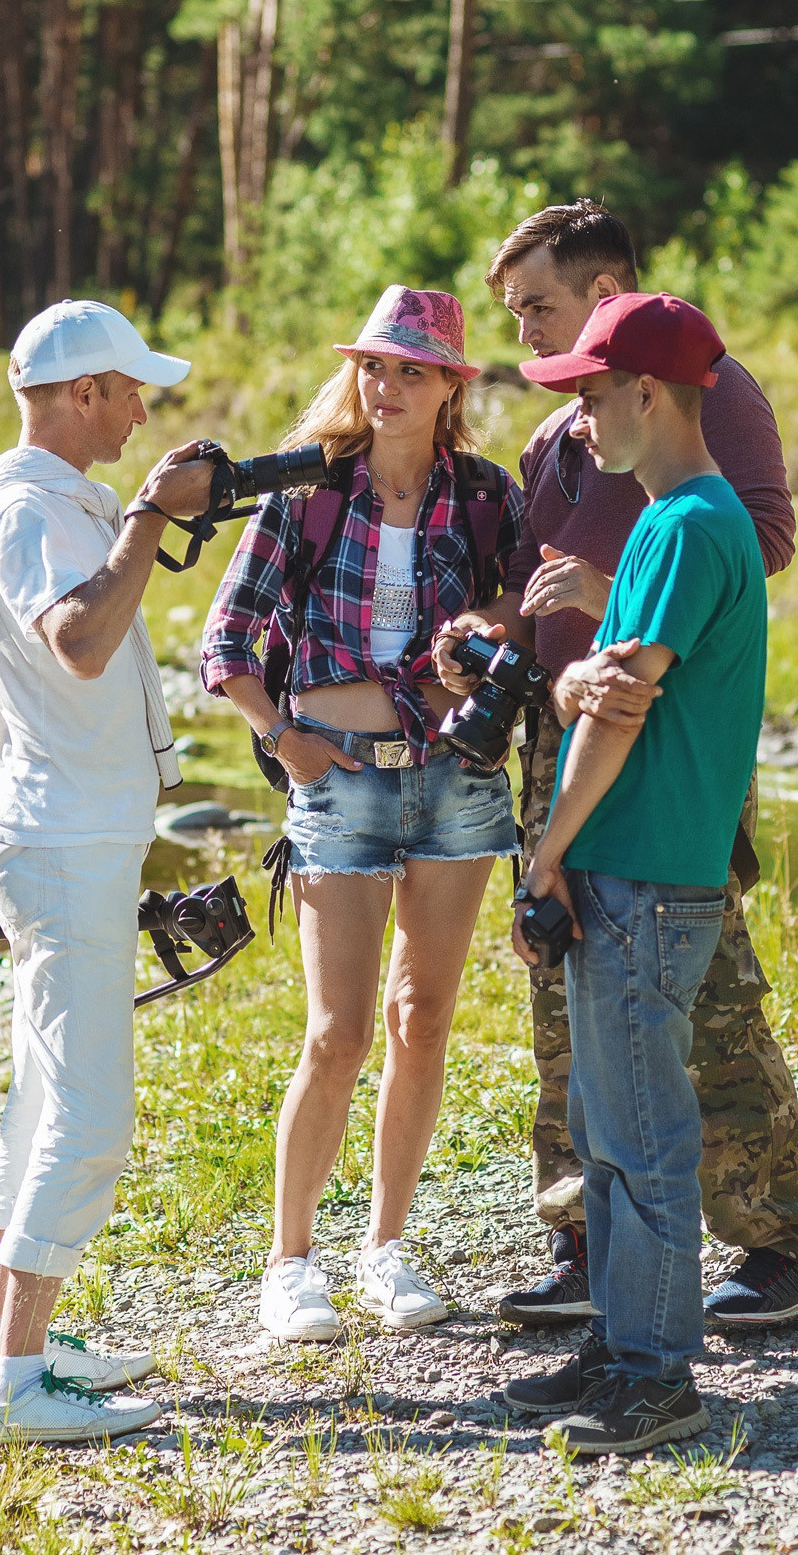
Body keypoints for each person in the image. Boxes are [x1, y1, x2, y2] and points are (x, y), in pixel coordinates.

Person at [437, 200, 798, 1332]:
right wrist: (490, 637)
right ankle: (584, 1240)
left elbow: (754, 548)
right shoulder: (562, 433)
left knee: (702, 992)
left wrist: (623, 608)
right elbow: (530, 583)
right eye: (513, 318)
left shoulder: (702, 395)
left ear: (609, 284)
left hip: (659, 730)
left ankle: (780, 1238)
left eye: (542, 309)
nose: (524, 343)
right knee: (564, 994)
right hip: (557, 730)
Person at [201, 286, 526, 1343]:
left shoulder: (483, 496)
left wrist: (488, 628)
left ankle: (386, 1249)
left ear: (450, 388)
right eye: (374, 368)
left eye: (412, 371)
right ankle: (288, 1267)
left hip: (455, 782)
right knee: (336, 1033)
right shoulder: (304, 493)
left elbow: (525, 609)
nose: (386, 387)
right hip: (335, 782)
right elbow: (225, 643)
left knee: (422, 1017)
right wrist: (279, 736)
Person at [498, 292, 766, 1454]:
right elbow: (597, 684)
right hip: (630, 867)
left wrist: (543, 851)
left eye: (594, 396)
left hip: (647, 872)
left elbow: (617, 706)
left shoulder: (688, 524)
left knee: (643, 1129)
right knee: (607, 1123)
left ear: (650, 395)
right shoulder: (672, 525)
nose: (579, 419)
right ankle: (620, 1334)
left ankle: (660, 1375)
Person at [0, 299, 220, 1442]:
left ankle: (29, 1343)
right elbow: (79, 638)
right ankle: (13, 1386)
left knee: (42, 1092)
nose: (142, 409)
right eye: (129, 391)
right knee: (88, 1111)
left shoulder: (38, 496)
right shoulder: (23, 506)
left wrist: (144, 512)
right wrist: (155, 512)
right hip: (62, 838)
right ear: (79, 396)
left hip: (64, 827)